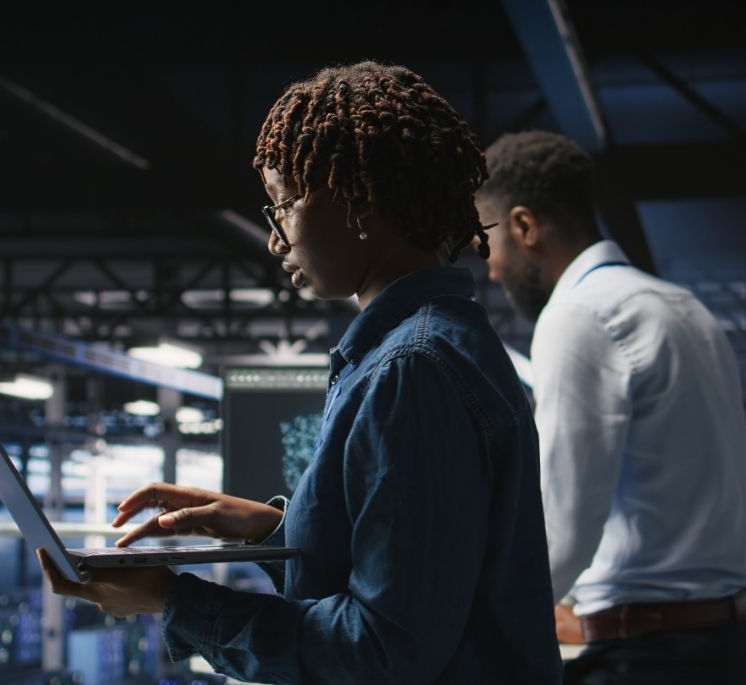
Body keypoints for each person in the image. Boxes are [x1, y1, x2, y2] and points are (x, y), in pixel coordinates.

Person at [37, 61, 562, 684]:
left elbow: (382, 652)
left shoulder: (410, 371)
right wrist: (268, 530)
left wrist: (174, 601)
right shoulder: (418, 351)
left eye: (283, 202)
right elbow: (415, 573)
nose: (274, 239)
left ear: (358, 197)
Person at [475, 130, 746, 684]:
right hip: (736, 643)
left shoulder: (579, 316)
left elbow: (557, 530)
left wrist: (462, 625)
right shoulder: (683, 306)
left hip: (655, 657)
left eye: (487, 240)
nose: (490, 267)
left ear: (523, 225)